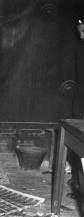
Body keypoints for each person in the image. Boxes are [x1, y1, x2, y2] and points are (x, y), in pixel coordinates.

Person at [68, 18, 84, 197]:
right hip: (81, 99)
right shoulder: (79, 48)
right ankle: (78, 183)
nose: (81, 35)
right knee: (77, 142)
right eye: (79, 31)